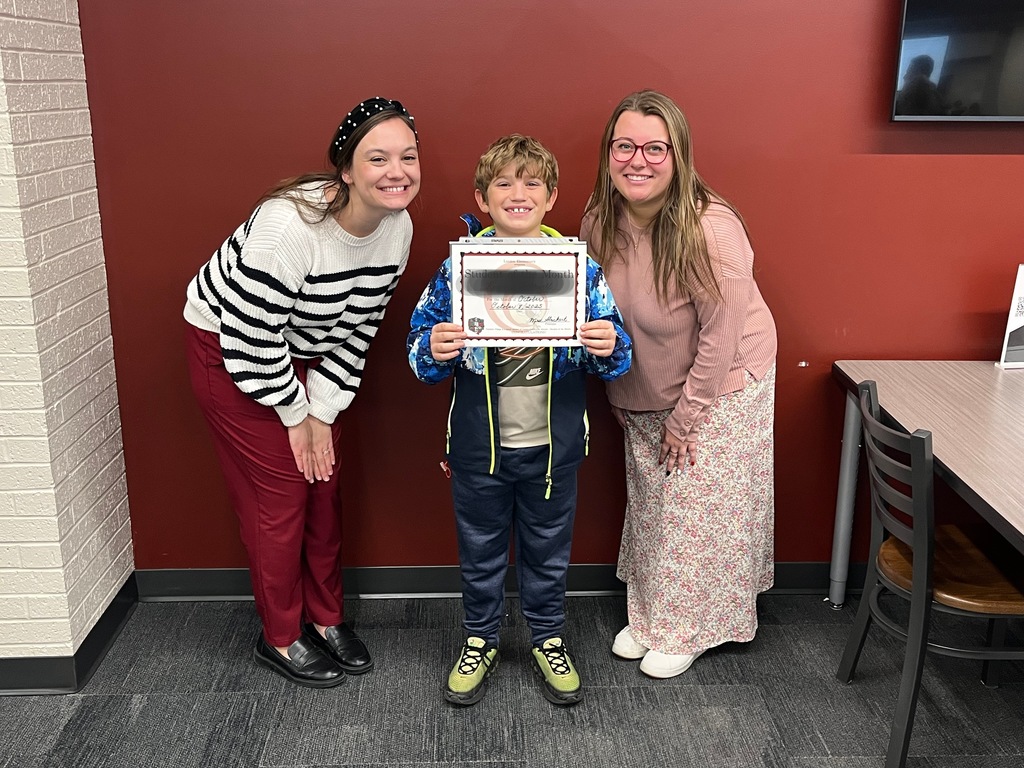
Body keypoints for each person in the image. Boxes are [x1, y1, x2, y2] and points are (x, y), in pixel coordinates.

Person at [184, 97, 420, 688]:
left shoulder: (398, 227)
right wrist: (296, 414)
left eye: (409, 157)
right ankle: (282, 635)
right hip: (233, 348)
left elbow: (358, 329)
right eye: (378, 158)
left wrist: (323, 410)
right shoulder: (288, 225)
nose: (398, 172)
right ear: (345, 169)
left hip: (310, 350)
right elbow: (250, 337)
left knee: (324, 485)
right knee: (281, 498)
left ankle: (326, 616)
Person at [407, 135, 632, 706]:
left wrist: (607, 344)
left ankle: (548, 635)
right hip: (480, 449)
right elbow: (418, 355)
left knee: (549, 550)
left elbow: (619, 355)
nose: (518, 193)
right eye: (504, 182)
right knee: (479, 549)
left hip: (553, 450)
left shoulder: (580, 269)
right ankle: (479, 637)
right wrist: (433, 347)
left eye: (532, 182)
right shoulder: (458, 268)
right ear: (482, 197)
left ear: (552, 196)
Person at [581, 90, 777, 679]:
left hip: (721, 382)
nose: (637, 160)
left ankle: (690, 627)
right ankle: (650, 618)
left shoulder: (709, 228)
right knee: (652, 506)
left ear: (679, 155)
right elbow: (600, 312)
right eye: (624, 146)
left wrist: (687, 417)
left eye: (654, 148)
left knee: (696, 510)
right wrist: (618, 391)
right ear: (608, 153)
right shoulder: (598, 218)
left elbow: (723, 332)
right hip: (646, 381)